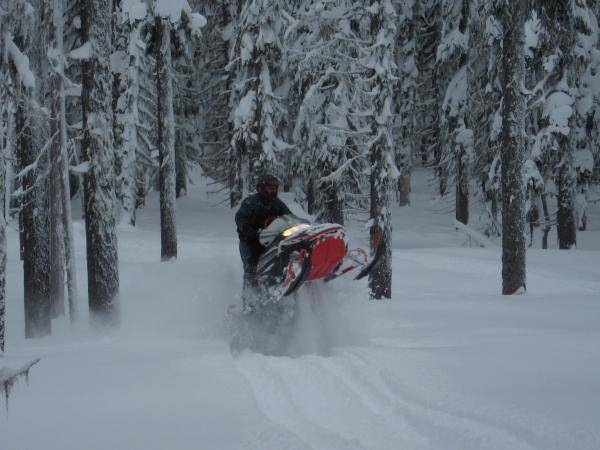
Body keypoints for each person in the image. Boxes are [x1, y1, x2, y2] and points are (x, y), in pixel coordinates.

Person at [235, 174, 291, 307]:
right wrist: (249, 231)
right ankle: (248, 301)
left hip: (270, 241)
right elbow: (240, 218)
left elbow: (289, 217)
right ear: (261, 188)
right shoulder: (251, 202)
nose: (273, 190)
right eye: (269, 187)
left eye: (275, 187)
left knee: (282, 259)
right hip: (250, 242)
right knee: (252, 267)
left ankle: (276, 289)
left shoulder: (278, 204)